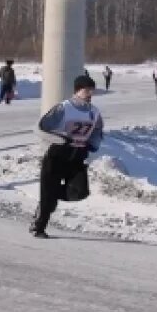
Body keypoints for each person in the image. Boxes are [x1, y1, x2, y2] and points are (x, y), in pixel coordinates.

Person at [31, 74, 104, 238]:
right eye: (87, 90)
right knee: (48, 198)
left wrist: (92, 145)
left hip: (77, 157)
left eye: (92, 90)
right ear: (78, 90)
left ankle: (49, 195)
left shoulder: (94, 112)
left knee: (80, 192)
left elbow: (97, 131)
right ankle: (38, 227)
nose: (90, 94)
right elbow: (39, 128)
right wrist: (60, 139)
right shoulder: (64, 108)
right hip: (57, 156)